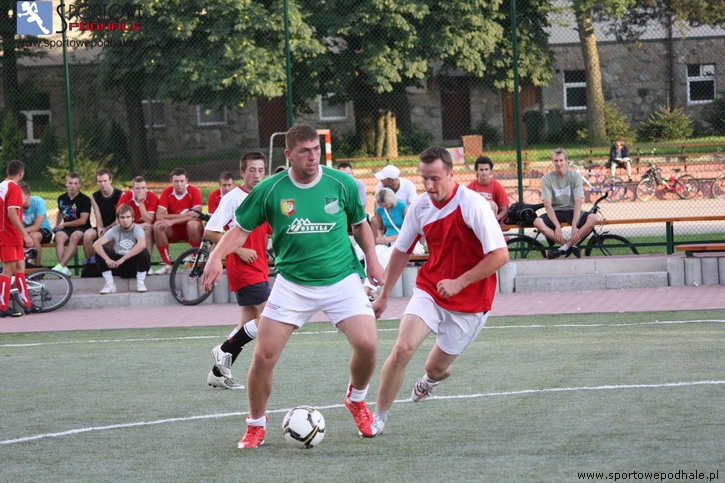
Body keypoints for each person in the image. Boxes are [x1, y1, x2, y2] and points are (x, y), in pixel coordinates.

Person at [201, 123, 385, 448]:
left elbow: (360, 224)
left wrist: (372, 258)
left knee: (368, 345)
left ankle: (356, 400)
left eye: (316, 150)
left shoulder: (341, 183)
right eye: (304, 151)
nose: (312, 157)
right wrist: (216, 256)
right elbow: (239, 230)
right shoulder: (270, 189)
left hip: (341, 279)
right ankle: (255, 426)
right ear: (288, 154)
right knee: (263, 357)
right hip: (293, 284)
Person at [370, 146, 509, 435]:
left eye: (435, 178)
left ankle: (430, 381)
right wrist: (384, 295)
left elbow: (500, 256)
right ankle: (377, 419)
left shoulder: (472, 205)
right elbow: (401, 251)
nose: (429, 185)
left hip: (471, 302)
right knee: (402, 349)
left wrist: (460, 282)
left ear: (451, 174)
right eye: (424, 179)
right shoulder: (420, 207)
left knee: (435, 368)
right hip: (430, 289)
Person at [203, 152, 271, 390]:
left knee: (247, 324)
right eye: (252, 170)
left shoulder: (264, 196)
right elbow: (211, 231)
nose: (257, 175)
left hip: (260, 266)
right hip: (243, 268)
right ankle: (224, 349)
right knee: (271, 318)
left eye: (261, 170)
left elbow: (269, 229)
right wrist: (239, 250)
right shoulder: (233, 198)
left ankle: (218, 373)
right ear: (242, 172)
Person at [533, 148, 599, 260]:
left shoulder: (575, 176)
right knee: (537, 222)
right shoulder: (546, 178)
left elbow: (578, 202)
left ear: (566, 160)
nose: (559, 163)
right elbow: (547, 205)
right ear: (552, 162)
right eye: (556, 161)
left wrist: (574, 225)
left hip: (572, 210)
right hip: (556, 212)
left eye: (561, 160)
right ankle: (569, 247)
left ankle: (563, 248)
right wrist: (557, 226)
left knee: (593, 218)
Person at [366, 187, 424, 299]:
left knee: (386, 256)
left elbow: (412, 229)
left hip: (405, 242)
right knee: (373, 254)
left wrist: (392, 238)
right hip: (388, 241)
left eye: (386, 205)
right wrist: (379, 237)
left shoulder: (402, 206)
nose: (384, 207)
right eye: (382, 205)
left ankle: (369, 288)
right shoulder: (380, 209)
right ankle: (369, 284)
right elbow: (380, 228)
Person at [0, 160, 35, 317]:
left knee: (20, 267)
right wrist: (25, 234)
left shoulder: (2, 186)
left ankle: (27, 304)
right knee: (9, 269)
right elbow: (12, 214)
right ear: (21, 173)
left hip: (7, 233)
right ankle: (3, 306)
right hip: (10, 234)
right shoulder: (14, 188)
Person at [152, 168, 204, 274]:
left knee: (193, 224)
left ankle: (194, 259)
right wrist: (183, 216)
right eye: (176, 181)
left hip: (190, 229)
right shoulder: (167, 192)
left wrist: (172, 220)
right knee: (158, 225)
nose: (179, 184)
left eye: (182, 181)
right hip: (174, 230)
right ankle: (167, 263)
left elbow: (197, 215)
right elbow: (159, 215)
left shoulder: (194, 191)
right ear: (171, 181)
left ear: (186, 180)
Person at [92, 204, 151, 294]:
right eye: (122, 217)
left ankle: (140, 283)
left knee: (143, 251)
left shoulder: (138, 229)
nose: (125, 220)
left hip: (135, 265)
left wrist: (122, 259)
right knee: (99, 252)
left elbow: (142, 245)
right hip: (119, 266)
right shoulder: (114, 230)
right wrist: (107, 259)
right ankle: (110, 284)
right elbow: (96, 244)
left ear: (133, 218)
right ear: (118, 219)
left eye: (128, 217)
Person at [53, 172, 92, 276]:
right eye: (70, 183)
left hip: (82, 227)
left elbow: (83, 220)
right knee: (59, 237)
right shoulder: (61, 198)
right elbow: (60, 212)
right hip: (67, 228)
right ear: (66, 183)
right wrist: (57, 225)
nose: (72, 186)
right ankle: (64, 269)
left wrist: (64, 225)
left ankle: (60, 266)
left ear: (79, 185)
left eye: (75, 183)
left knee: (74, 237)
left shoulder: (85, 199)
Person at [83, 169, 123, 262]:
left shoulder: (120, 194)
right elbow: (98, 217)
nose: (103, 184)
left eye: (105, 181)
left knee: (112, 236)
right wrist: (100, 229)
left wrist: (107, 229)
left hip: (116, 226)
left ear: (110, 180)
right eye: (100, 181)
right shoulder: (94, 196)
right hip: (103, 227)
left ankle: (115, 264)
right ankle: (90, 263)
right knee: (87, 235)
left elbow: (119, 218)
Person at [116, 176, 159, 256]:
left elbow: (149, 220)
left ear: (146, 188)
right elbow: (118, 221)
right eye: (137, 188)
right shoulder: (126, 197)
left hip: (147, 228)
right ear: (133, 189)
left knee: (148, 229)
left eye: (143, 188)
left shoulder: (152, 197)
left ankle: (147, 260)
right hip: (129, 227)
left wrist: (140, 203)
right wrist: (138, 226)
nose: (141, 191)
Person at [466, 156, 509, 225]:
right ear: (476, 171)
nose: (484, 172)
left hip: (492, 220)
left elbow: (505, 209)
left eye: (486, 169)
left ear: (490, 171)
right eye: (481, 170)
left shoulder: (497, 186)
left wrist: (498, 217)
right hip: (476, 219)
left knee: (491, 204)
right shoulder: (470, 188)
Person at [19, 181, 52, 267]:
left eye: (19, 195)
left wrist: (21, 232)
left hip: (44, 230)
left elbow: (37, 226)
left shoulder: (38, 202)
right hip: (25, 233)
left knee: (33, 236)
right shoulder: (16, 206)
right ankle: (21, 266)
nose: (16, 198)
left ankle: (37, 268)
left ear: (27, 196)